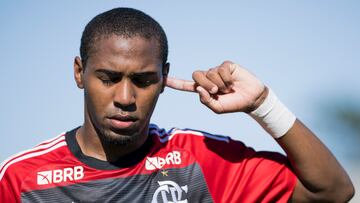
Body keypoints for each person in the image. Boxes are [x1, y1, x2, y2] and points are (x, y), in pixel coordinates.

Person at [0, 7, 354, 203]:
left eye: (143, 81)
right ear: (80, 73)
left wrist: (262, 104)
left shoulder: (200, 160)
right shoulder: (21, 180)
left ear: (164, 78)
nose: (125, 99)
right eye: (108, 78)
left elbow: (333, 192)